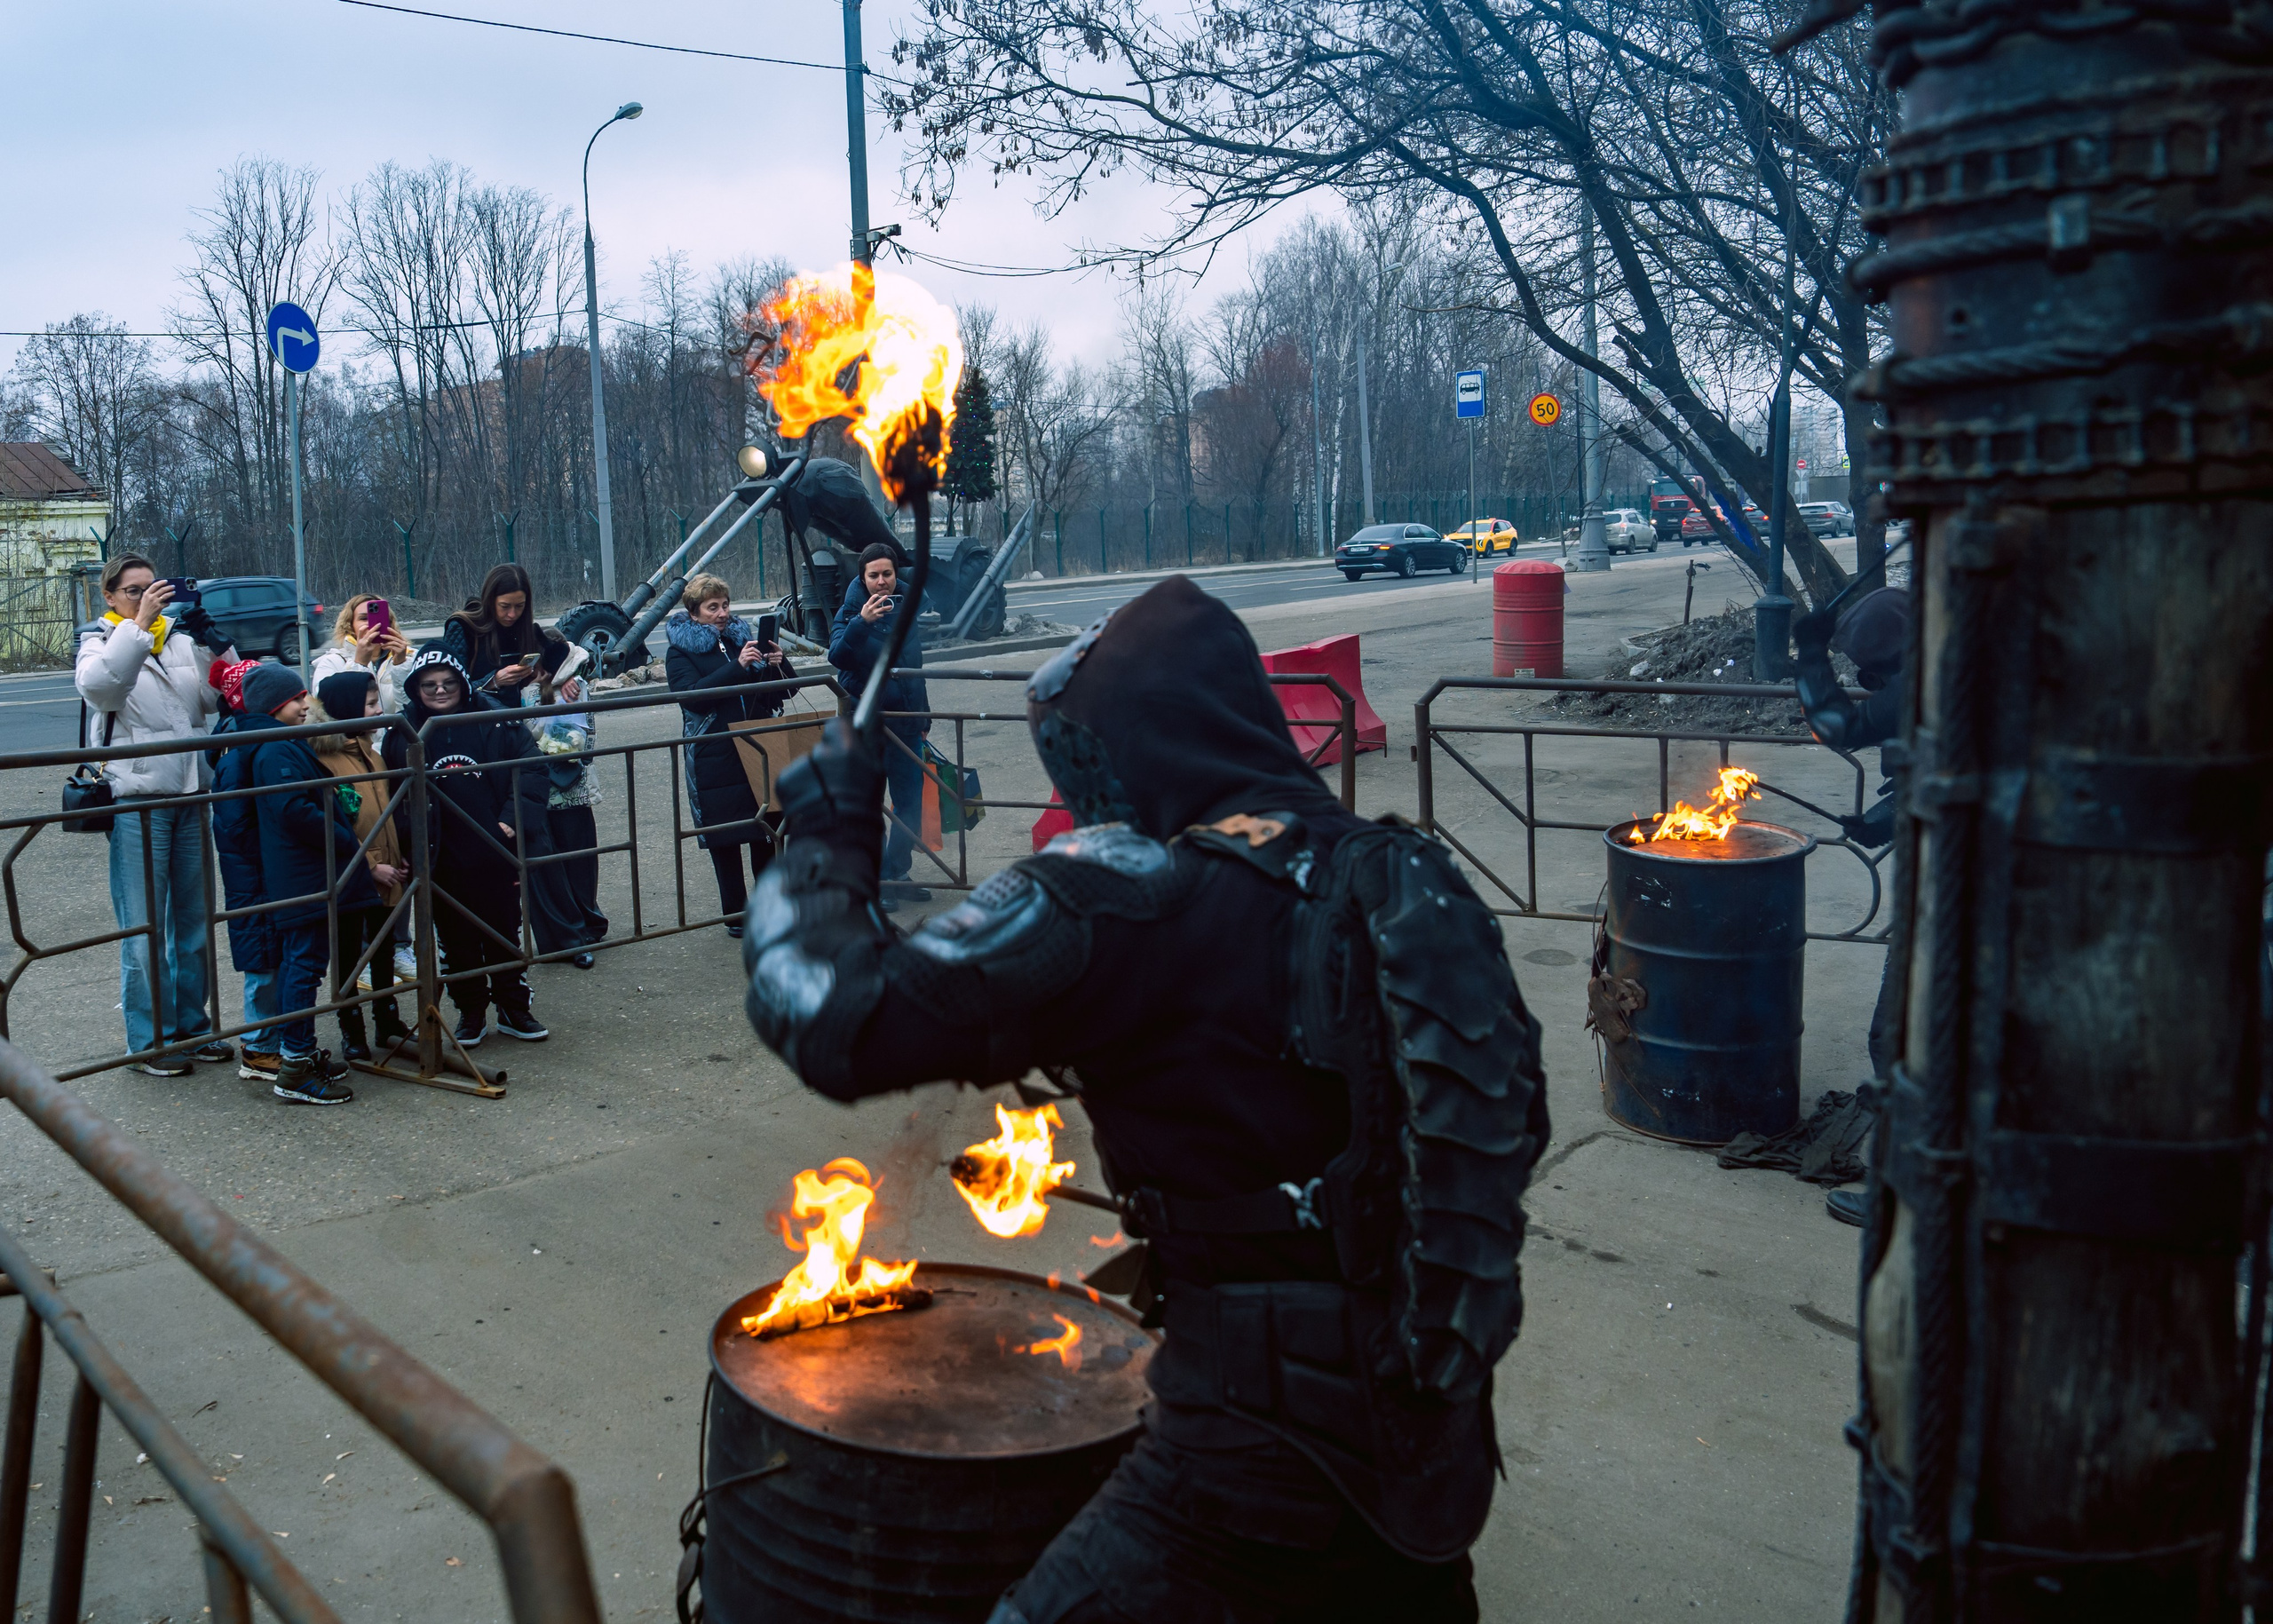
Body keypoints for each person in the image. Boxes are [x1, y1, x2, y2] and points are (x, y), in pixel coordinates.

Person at [742, 577, 1548, 1622]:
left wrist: (821, 841)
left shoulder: (1136, 892)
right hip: (1429, 1442)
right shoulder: (1404, 871)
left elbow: (832, 1017)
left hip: (1249, 1456)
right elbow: (1505, 1125)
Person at [74, 553, 241, 1075]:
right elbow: (101, 690)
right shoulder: (100, 642)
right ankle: (150, 1041)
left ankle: (192, 1026)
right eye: (133, 591)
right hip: (138, 799)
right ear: (110, 597)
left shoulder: (180, 642)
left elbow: (221, 699)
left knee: (192, 924)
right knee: (144, 927)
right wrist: (139, 626)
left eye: (154, 589)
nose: (147, 598)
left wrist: (216, 642)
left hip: (190, 793)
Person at [1795, 583, 1910, 1228]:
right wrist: (1880, 820)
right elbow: (1937, 767)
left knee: (1891, 1035)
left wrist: (1809, 656)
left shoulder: (1926, 680)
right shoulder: (1969, 672)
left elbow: (1834, 725)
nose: (1867, 682)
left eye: (1871, 672)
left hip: (1955, 895)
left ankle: (1897, 1192)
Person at [384, 646, 550, 1048]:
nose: (440, 691)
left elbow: (530, 768)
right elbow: (392, 793)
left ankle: (514, 1008)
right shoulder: (403, 730)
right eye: (429, 685)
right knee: (456, 941)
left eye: (448, 683)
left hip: (494, 847)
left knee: (503, 930)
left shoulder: (493, 719)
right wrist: (408, 843)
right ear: (416, 688)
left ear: (462, 682)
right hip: (440, 855)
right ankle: (470, 1011)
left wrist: (512, 820)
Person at [242, 662, 363, 1105]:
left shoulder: (282, 744)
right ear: (276, 706)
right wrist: (340, 832)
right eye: (297, 700)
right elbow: (293, 809)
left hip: (301, 872)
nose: (305, 706)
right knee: (303, 966)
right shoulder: (276, 751)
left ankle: (301, 1055)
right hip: (301, 875)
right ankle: (295, 1064)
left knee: (305, 965)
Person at [665, 574, 796, 936]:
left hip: (759, 745)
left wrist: (779, 663)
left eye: (725, 605)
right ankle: (736, 915)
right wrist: (736, 667)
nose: (722, 614)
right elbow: (691, 696)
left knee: (766, 830)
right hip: (715, 752)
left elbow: (783, 694)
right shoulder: (680, 651)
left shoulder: (743, 639)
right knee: (724, 837)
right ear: (694, 613)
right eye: (712, 608)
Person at [309, 669, 412, 1060]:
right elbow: (334, 822)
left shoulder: (372, 751)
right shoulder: (325, 759)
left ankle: (388, 1021)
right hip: (352, 872)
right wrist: (369, 864)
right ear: (348, 708)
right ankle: (351, 1030)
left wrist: (396, 851)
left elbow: (382, 808)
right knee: (350, 954)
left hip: (387, 867)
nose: (379, 710)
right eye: (370, 704)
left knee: (384, 948)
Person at [827, 543, 932, 906]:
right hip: (868, 726)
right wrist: (861, 623)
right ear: (863, 577)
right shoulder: (850, 611)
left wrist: (924, 715)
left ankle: (896, 871)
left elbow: (915, 668)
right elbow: (837, 656)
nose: (882, 582)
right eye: (874, 575)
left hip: (905, 723)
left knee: (911, 804)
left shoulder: (907, 607)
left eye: (888, 573)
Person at [207, 657, 284, 1084]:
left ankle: (275, 1041)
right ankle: (258, 1048)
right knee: (261, 960)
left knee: (274, 955)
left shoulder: (247, 740)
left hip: (263, 866)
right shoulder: (241, 750)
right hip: (253, 871)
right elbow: (236, 822)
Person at [524, 640, 608, 968]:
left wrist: (567, 677)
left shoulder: (575, 686)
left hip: (569, 788)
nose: (534, 671)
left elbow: (583, 736)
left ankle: (587, 925)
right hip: (540, 793)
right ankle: (564, 934)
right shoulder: (522, 689)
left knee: (579, 862)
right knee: (552, 868)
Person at [440, 563, 545, 703]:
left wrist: (555, 677)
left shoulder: (526, 630)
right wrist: (493, 681)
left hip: (520, 717)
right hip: (480, 718)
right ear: (490, 600)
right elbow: (447, 689)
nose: (512, 614)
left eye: (520, 606)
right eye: (505, 606)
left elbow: (561, 653)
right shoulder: (463, 627)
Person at [312, 593, 416, 713]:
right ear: (349, 625)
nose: (372, 624)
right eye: (363, 618)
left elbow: (413, 710)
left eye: (380, 617)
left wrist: (401, 666)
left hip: (401, 730)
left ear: (390, 623)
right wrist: (360, 663)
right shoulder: (332, 662)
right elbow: (329, 711)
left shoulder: (411, 657)